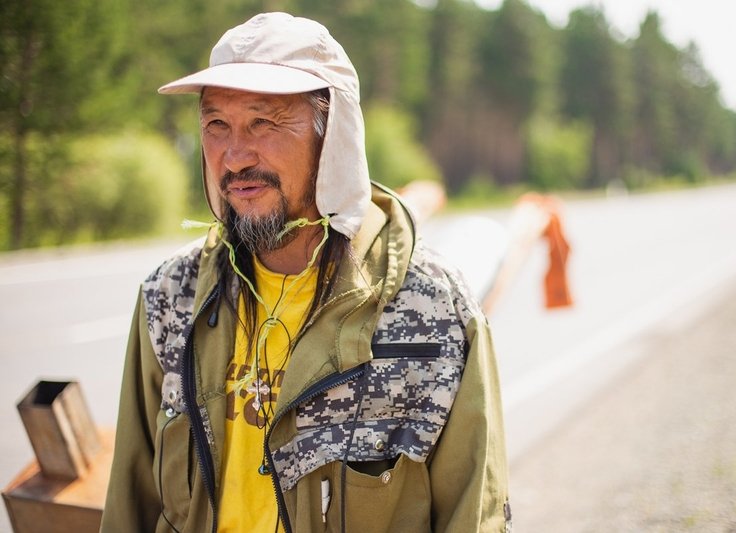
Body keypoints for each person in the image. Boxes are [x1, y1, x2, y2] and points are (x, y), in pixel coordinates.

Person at [101, 12, 511, 533]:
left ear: (333, 134)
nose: (234, 156)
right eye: (216, 124)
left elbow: (474, 516)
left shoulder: (432, 307)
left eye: (264, 123)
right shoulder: (170, 297)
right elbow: (129, 505)